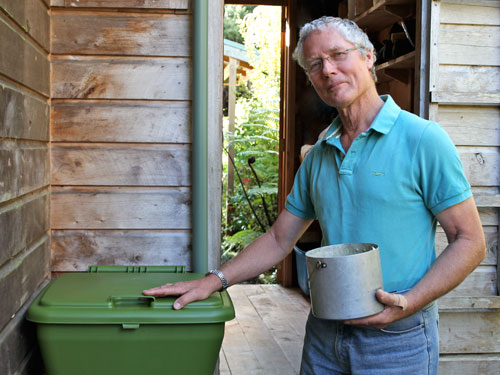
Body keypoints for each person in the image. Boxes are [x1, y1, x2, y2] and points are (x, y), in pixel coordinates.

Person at [143, 16, 486, 374]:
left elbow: (470, 241)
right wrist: (213, 281)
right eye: (315, 65)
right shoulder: (321, 152)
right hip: (324, 336)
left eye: (338, 55)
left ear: (368, 56)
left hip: (397, 340)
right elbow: (279, 239)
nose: (328, 70)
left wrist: (409, 302)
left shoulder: (422, 140)